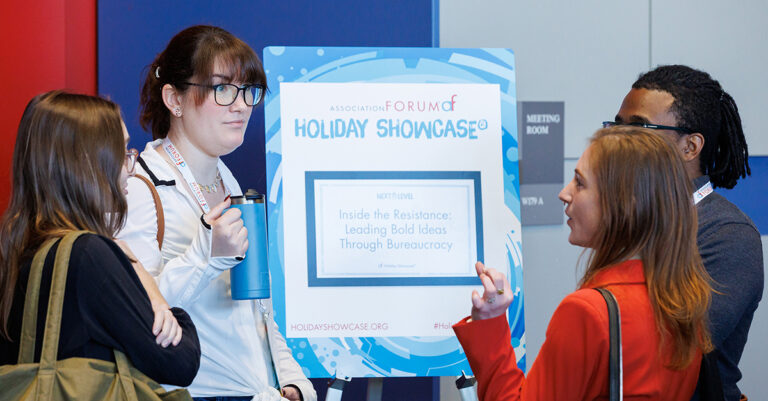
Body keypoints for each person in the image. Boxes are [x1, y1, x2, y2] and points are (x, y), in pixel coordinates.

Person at [117, 25, 316, 401]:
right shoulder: (141, 187)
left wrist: (292, 382)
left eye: (249, 91)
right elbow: (137, 313)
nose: (241, 105)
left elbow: (257, 309)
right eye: (223, 89)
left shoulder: (229, 182)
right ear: (174, 99)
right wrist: (206, 255)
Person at [453, 127, 713, 400]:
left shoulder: (587, 313)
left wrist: (491, 325)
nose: (564, 193)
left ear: (624, 204)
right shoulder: (683, 303)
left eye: (580, 182)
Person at [0, 91, 201, 386]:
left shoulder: (16, 247)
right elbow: (179, 362)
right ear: (87, 162)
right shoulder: (89, 255)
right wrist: (150, 288)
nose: (130, 168)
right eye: (122, 150)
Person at [607, 65, 763, 400]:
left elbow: (672, 346)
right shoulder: (632, 219)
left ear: (690, 147)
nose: (618, 140)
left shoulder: (728, 234)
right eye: (617, 126)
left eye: (638, 128)